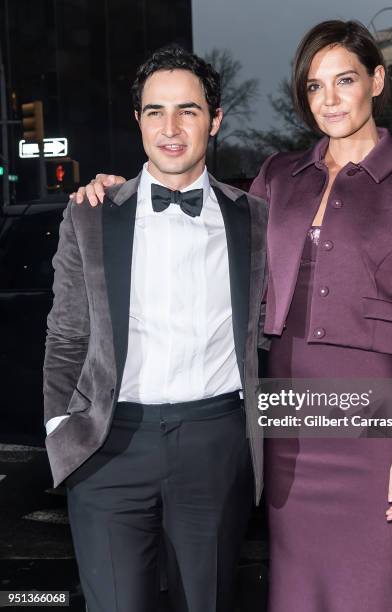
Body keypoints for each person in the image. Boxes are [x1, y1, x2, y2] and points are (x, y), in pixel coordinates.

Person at [77, 20, 392, 612]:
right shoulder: (280, 177)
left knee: (374, 586)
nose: (329, 99)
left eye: (345, 80)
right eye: (313, 86)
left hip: (376, 426)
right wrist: (117, 188)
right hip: (289, 417)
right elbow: (194, 209)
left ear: (376, 82)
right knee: (296, 589)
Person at [43, 46, 268, 612]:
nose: (171, 128)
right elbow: (66, 335)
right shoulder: (91, 212)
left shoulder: (255, 220)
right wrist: (60, 429)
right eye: (154, 111)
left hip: (215, 443)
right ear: (137, 119)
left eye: (188, 111)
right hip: (108, 447)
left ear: (215, 121)